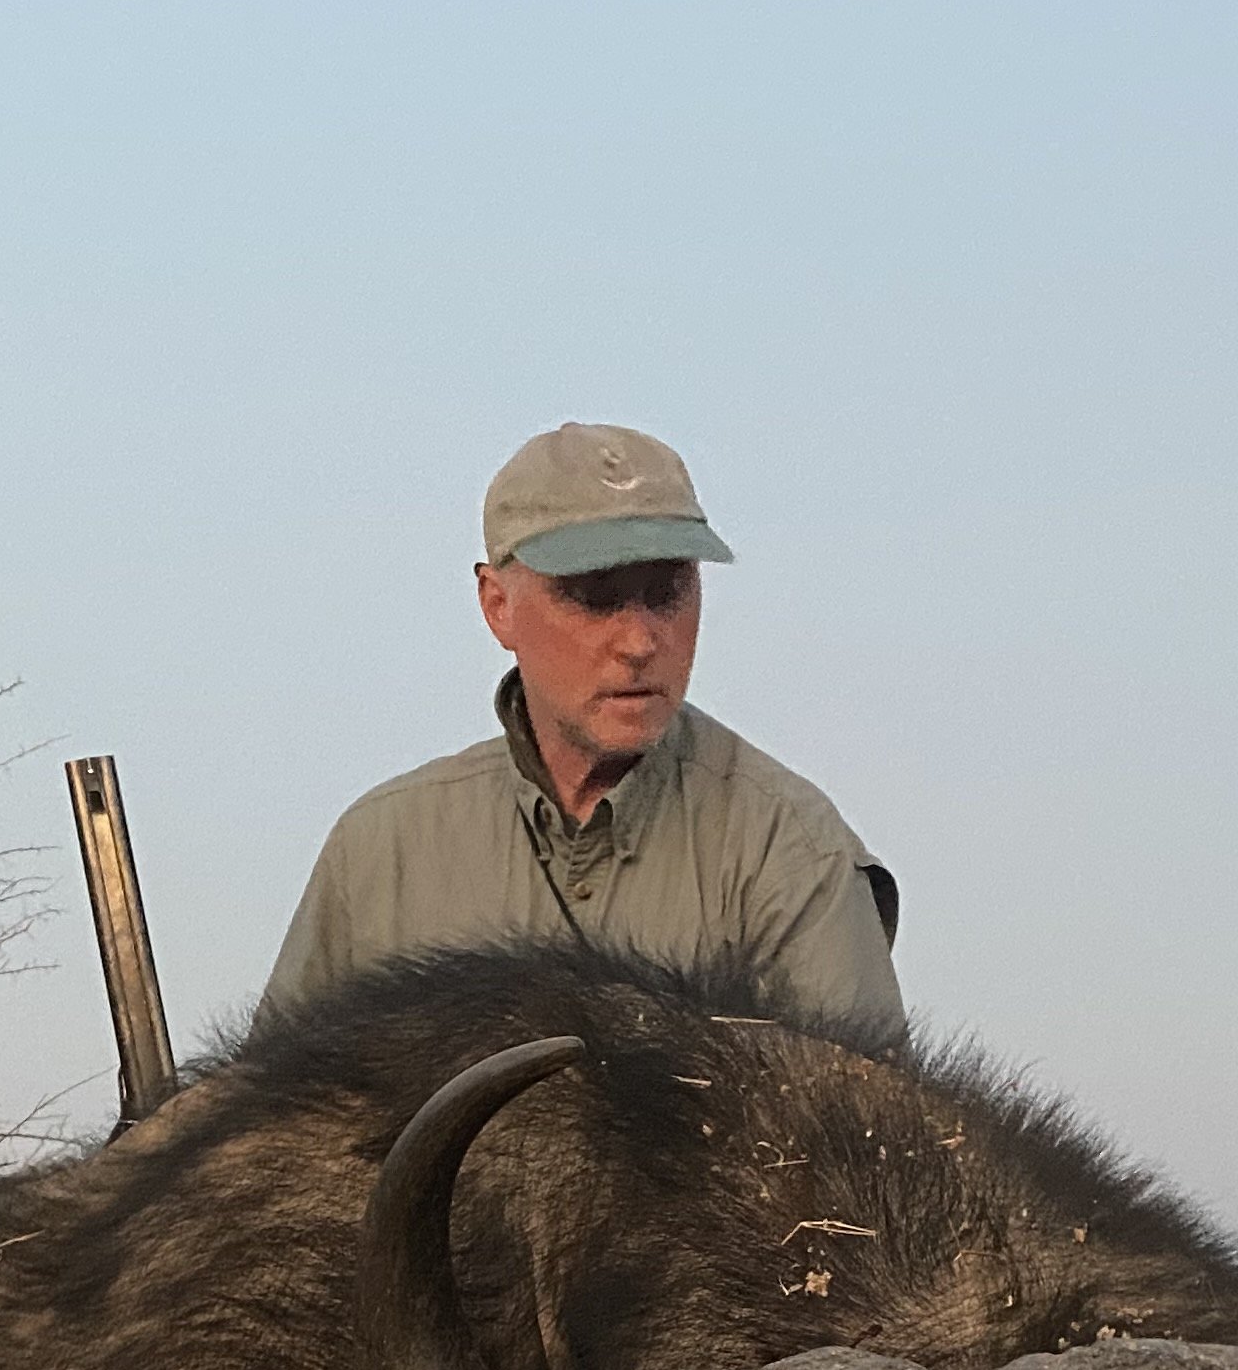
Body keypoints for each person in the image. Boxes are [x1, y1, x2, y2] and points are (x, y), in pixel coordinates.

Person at [254, 422, 906, 1053]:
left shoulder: (791, 851)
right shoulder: (379, 855)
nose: (640, 641)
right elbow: (258, 1140)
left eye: (667, 591)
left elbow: (872, 1148)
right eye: (595, 596)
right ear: (497, 606)